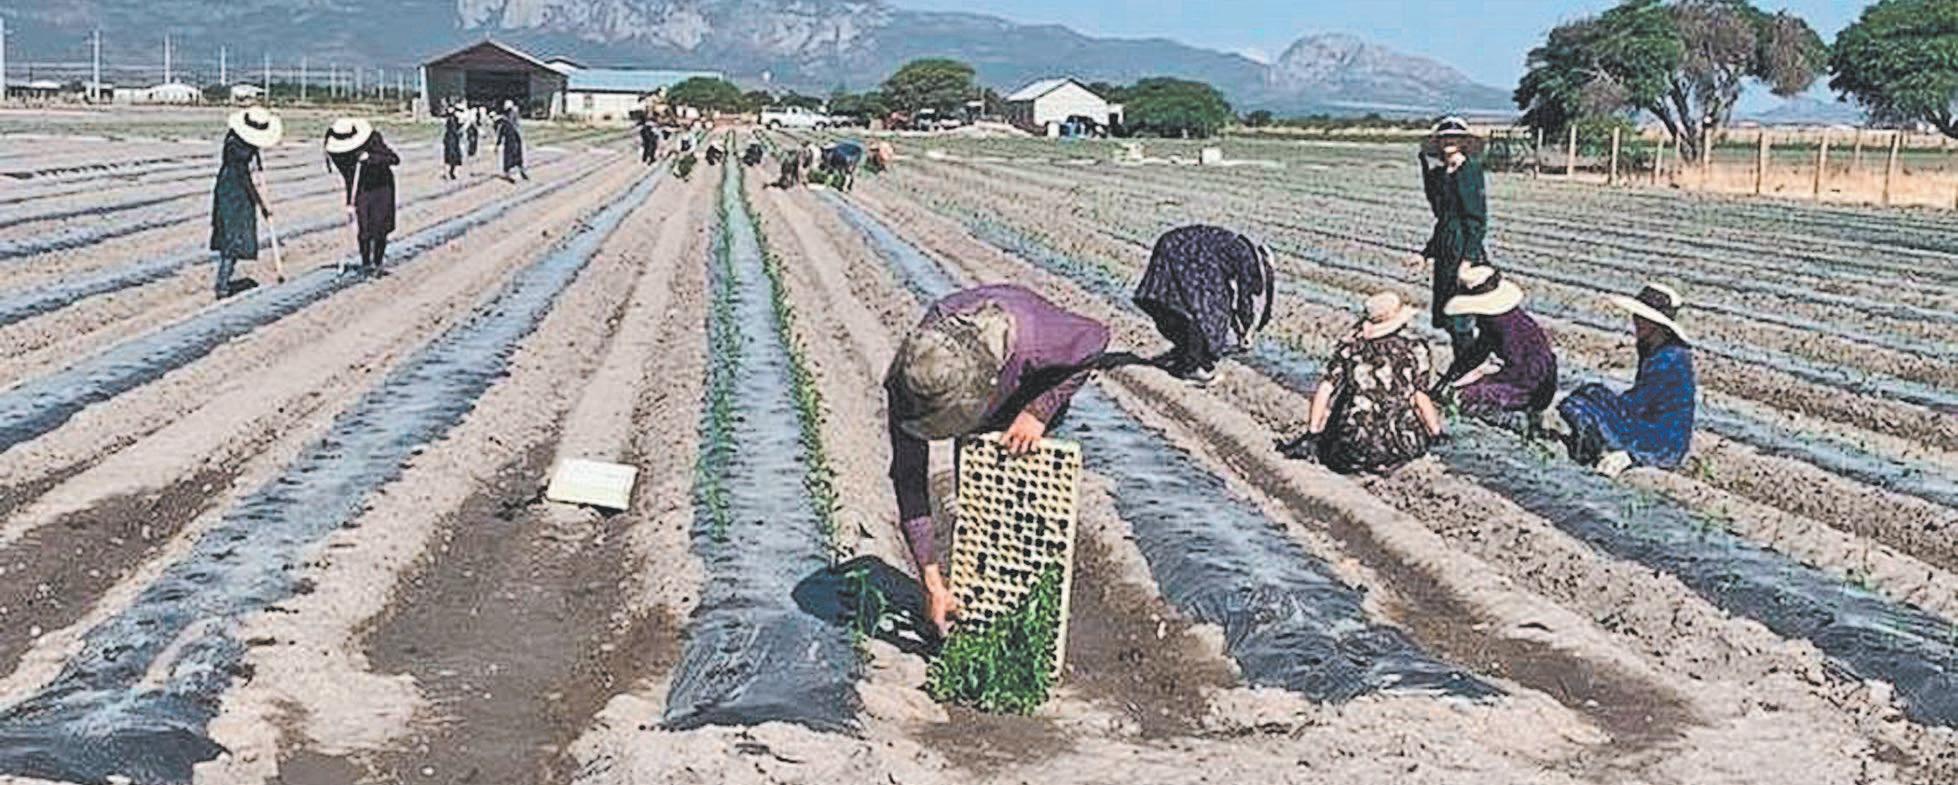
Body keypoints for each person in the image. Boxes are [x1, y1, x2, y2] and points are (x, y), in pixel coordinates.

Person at [886, 284, 1110, 636]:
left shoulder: (1037, 342)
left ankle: (1025, 602)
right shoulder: (913, 380)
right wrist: (930, 581)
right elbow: (909, 477)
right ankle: (978, 598)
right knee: (979, 495)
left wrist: (1038, 411)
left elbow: (1096, 338)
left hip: (1029, 384)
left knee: (1025, 499)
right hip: (978, 381)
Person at [1280, 292, 1444, 474]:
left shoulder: (1350, 349)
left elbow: (1326, 389)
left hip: (1354, 444)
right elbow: (1420, 396)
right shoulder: (1416, 349)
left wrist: (1313, 432)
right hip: (1402, 444)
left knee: (1345, 398)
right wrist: (1435, 432)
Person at [1557, 284, 1696, 476]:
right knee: (1591, 393)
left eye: (1641, 318)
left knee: (1584, 403)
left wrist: (1612, 406)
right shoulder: (1657, 348)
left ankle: (1607, 450)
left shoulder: (1669, 358)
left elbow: (1640, 403)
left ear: (1656, 324)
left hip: (1662, 436)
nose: (1636, 321)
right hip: (1653, 424)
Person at [1133, 225, 1274, 386]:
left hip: (1171, 245)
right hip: (1185, 253)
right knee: (1205, 312)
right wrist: (1247, 330)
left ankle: (1183, 355)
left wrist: (1238, 323)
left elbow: (1231, 293)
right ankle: (1192, 367)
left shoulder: (1234, 246)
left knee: (1173, 303)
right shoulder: (1248, 258)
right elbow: (1245, 298)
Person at [1436, 265, 1558, 429]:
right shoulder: (1498, 319)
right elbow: (1477, 352)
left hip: (1532, 386)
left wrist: (1475, 384)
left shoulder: (1501, 325)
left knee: (1463, 399)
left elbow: (1521, 373)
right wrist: (1453, 375)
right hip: (1539, 377)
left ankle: (1521, 420)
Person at [1420, 116, 1488, 356]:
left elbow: (1476, 221)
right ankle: (1462, 363)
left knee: (1463, 318)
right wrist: (1426, 253)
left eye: (1455, 137)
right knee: (1448, 315)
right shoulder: (1441, 174)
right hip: (1446, 252)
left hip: (1462, 251)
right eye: (1445, 138)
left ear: (1463, 142)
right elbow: (1444, 219)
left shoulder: (1469, 172)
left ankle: (1468, 365)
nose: (1449, 141)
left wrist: (1467, 260)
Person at [210, 105, 283, 300]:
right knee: (233, 239)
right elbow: (246, 179)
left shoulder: (237, 141)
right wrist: (262, 204)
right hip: (233, 194)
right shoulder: (238, 149)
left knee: (232, 238)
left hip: (230, 189)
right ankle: (222, 285)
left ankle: (223, 282)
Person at [323, 118, 400, 279]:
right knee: (364, 228)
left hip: (381, 186)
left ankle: (377, 262)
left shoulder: (373, 139)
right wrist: (349, 202)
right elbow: (348, 176)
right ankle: (366, 263)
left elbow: (394, 159)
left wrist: (370, 158)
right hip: (361, 189)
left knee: (380, 227)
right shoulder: (337, 152)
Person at [494, 101, 528, 181]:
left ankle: (520, 171)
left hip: (514, 141)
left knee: (516, 157)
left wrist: (497, 145)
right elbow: (500, 133)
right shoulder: (505, 121)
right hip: (511, 142)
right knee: (511, 158)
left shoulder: (511, 120)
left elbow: (501, 133)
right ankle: (510, 173)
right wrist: (497, 145)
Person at [441, 103, 465, 180]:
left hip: (453, 139)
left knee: (453, 157)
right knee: (450, 156)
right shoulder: (448, 119)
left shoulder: (455, 118)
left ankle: (451, 172)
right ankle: (448, 172)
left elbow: (457, 128)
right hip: (450, 139)